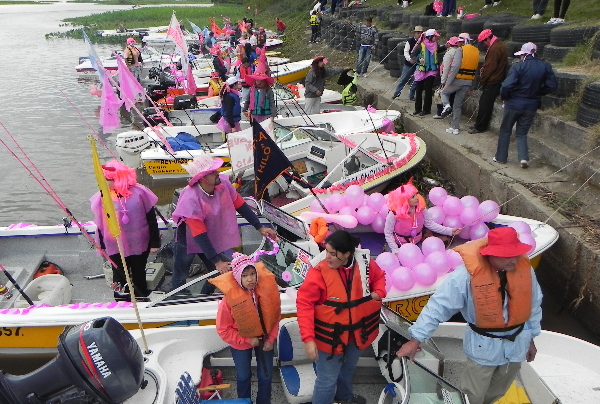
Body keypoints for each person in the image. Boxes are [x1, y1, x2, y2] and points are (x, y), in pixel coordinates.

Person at [396, 226, 543, 404]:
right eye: (507, 255)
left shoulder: (525, 271)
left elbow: (533, 305)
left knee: (498, 391)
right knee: (473, 395)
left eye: (516, 253)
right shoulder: (464, 276)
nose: (514, 259)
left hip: (517, 345)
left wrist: (531, 340)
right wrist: (415, 340)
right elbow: (438, 307)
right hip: (484, 349)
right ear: (491, 254)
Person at [296, 230, 386, 404]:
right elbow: (304, 304)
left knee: (347, 371)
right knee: (326, 381)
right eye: (326, 251)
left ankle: (344, 398)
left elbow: (379, 277)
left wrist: (379, 292)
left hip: (358, 334)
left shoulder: (365, 263)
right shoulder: (318, 270)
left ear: (347, 254)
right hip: (329, 338)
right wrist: (308, 339)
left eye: (332, 253)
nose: (327, 257)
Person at [170, 154, 277, 294]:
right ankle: (178, 297)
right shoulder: (190, 199)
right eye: (213, 172)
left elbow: (240, 205)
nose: (217, 173)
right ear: (202, 178)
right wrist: (217, 261)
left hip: (210, 235)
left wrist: (259, 227)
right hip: (187, 239)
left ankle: (204, 295)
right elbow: (199, 234)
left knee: (217, 274)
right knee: (180, 274)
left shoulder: (223, 183)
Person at [212, 252, 281, 404]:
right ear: (237, 277)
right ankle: (244, 402)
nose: (250, 279)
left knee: (266, 376)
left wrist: (271, 338)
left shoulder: (266, 291)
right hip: (240, 342)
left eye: (252, 274)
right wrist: (247, 340)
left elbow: (275, 316)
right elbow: (223, 330)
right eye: (244, 275)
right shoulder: (228, 301)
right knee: (243, 377)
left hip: (265, 339)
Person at [90, 160, 160, 300]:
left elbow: (151, 219)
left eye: (109, 179)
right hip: (114, 243)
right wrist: (101, 244)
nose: (105, 182)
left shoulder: (140, 192)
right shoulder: (103, 196)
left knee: (138, 271)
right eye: (104, 179)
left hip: (138, 242)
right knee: (118, 274)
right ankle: (120, 299)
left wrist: (154, 243)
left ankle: (140, 297)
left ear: (119, 179)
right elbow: (101, 223)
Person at [494, 43, 557, 168]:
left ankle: (501, 157)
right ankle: (523, 158)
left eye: (521, 55)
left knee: (505, 130)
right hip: (531, 105)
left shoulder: (518, 67)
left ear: (524, 55)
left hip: (513, 104)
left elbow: (506, 86)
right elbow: (552, 85)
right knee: (522, 133)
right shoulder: (545, 66)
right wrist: (539, 92)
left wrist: (505, 98)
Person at [384, 179, 459, 251]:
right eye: (413, 197)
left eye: (416, 195)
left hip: (416, 242)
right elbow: (388, 233)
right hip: (399, 244)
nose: (417, 198)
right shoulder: (394, 214)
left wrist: (450, 231)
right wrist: (395, 249)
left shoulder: (421, 209)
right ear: (405, 200)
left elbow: (430, 224)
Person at [468, 29, 508, 134]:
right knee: (484, 103)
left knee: (485, 104)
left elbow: (490, 67)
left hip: (493, 80)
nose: (484, 45)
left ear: (488, 39)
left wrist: (483, 79)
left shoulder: (495, 49)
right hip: (494, 79)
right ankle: (479, 124)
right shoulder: (498, 46)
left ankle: (481, 126)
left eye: (484, 42)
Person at [440, 35, 479, 135]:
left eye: (459, 42)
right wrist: (472, 86)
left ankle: (446, 106)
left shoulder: (460, 50)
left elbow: (455, 67)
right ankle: (455, 127)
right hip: (468, 82)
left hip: (457, 80)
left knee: (443, 92)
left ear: (462, 42)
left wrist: (447, 83)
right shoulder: (476, 51)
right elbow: (476, 70)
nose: (457, 44)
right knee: (457, 105)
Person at [411, 29, 441, 117]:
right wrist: (418, 59)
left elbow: (438, 51)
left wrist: (446, 47)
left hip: (431, 71)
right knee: (419, 90)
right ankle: (418, 109)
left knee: (428, 90)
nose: (436, 38)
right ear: (429, 37)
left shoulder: (436, 45)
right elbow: (413, 55)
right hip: (421, 71)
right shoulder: (421, 45)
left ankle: (426, 110)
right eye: (434, 36)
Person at [243, 50, 276, 124]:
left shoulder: (268, 90)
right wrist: (244, 110)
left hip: (266, 116)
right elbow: (247, 101)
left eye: (259, 79)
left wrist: (273, 116)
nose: (257, 80)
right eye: (256, 79)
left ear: (263, 80)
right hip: (254, 116)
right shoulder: (252, 89)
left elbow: (272, 103)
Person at [392, 26, 423, 100]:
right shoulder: (409, 41)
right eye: (418, 33)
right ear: (414, 33)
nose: (419, 34)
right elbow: (406, 52)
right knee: (403, 79)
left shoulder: (423, 42)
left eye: (420, 33)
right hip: (408, 64)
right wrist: (410, 59)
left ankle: (412, 95)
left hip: (418, 64)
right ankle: (397, 93)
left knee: (415, 81)